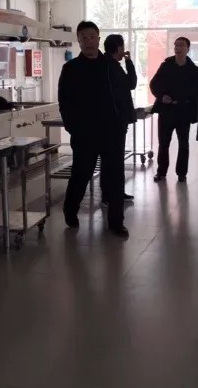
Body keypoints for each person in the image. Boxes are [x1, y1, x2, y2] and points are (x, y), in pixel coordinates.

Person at [58, 21, 133, 238]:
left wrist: (123, 123)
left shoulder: (111, 65)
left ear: (99, 39)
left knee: (115, 177)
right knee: (81, 174)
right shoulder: (71, 69)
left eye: (92, 37)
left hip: (112, 132)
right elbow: (64, 102)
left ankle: (116, 222)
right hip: (85, 133)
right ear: (79, 40)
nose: (89, 41)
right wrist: (73, 128)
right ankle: (70, 210)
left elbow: (124, 93)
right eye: (84, 37)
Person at [150, 37, 198, 183]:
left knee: (183, 143)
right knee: (164, 143)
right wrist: (162, 96)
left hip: (183, 111)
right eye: (176, 45)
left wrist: (194, 110)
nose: (177, 48)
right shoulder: (166, 66)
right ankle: (161, 172)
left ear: (188, 49)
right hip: (166, 111)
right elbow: (154, 84)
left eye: (181, 45)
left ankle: (182, 173)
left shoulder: (194, 70)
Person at [102, 33, 137, 205]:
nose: (124, 50)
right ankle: (110, 195)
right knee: (112, 159)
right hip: (115, 121)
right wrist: (129, 62)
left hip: (114, 120)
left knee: (114, 159)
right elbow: (131, 84)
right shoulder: (111, 66)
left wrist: (127, 62)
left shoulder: (111, 65)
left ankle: (116, 192)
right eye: (122, 47)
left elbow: (129, 84)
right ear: (118, 48)